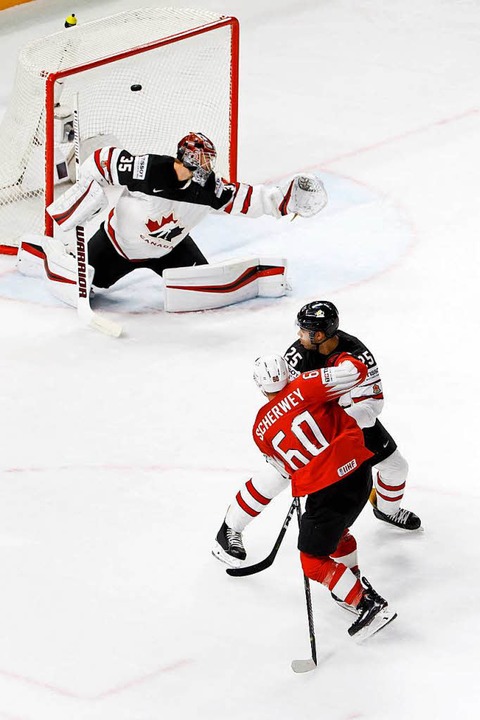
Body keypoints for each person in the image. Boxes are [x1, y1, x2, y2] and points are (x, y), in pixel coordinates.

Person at [213, 300, 421, 568]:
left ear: (319, 334)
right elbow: (282, 401)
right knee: (276, 477)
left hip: (350, 424)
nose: (298, 336)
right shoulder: (297, 355)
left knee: (396, 468)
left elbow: (373, 404)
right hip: (311, 429)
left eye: (303, 331)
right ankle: (230, 529)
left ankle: (387, 510)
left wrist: (341, 423)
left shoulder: (358, 354)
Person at [217, 353, 397, 640]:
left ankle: (366, 604)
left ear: (260, 387)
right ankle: (353, 587)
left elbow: (282, 468)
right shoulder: (307, 384)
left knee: (312, 561)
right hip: (360, 474)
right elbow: (357, 373)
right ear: (288, 373)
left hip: (326, 488)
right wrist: (342, 355)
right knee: (338, 533)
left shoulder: (260, 427)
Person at [44, 132, 327, 300]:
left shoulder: (208, 187)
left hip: (172, 249)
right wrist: (87, 189)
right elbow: (102, 159)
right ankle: (69, 255)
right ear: (189, 157)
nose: (208, 165)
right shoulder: (148, 169)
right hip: (116, 247)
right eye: (204, 159)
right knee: (90, 283)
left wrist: (284, 201)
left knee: (200, 286)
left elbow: (246, 198)